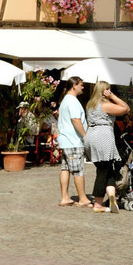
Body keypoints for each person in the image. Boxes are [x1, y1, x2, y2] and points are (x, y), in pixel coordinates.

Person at [84, 81, 130, 213]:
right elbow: (126, 108)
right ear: (105, 91)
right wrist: (113, 96)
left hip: (91, 136)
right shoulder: (104, 105)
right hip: (102, 136)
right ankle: (98, 204)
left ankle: (111, 197)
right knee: (103, 171)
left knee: (108, 169)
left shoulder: (90, 105)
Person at [55, 77, 91, 207]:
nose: (83, 87)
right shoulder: (72, 101)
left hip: (66, 140)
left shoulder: (65, 100)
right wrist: (85, 135)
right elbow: (76, 119)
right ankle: (82, 199)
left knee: (65, 168)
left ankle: (65, 197)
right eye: (81, 85)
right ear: (74, 86)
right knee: (78, 170)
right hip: (73, 141)